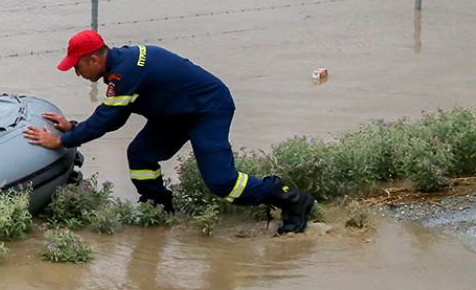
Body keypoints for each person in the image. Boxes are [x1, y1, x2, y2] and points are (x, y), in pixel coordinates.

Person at [23, 30, 315, 234]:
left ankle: (289, 197)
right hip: (176, 113)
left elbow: (108, 120)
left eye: (77, 66)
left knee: (222, 183)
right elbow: (115, 114)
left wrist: (61, 139)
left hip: (206, 110)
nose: (77, 73)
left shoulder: (125, 74)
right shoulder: (121, 64)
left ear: (94, 60)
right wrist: (75, 127)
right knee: (140, 155)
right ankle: (160, 206)